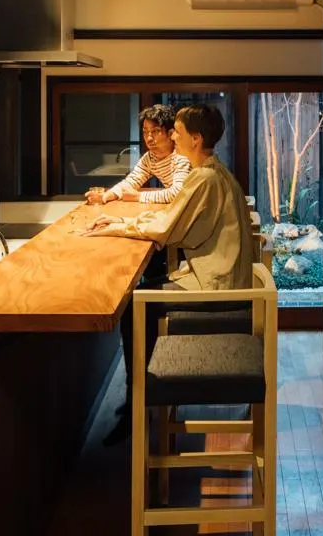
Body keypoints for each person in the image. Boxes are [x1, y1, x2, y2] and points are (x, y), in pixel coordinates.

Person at [83, 103, 255, 445]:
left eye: (175, 131)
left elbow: (167, 226)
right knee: (143, 291)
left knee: (135, 303)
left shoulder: (203, 176)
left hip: (217, 285)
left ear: (196, 137)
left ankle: (142, 400)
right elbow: (174, 222)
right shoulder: (211, 171)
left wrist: (118, 225)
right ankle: (142, 398)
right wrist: (122, 221)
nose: (170, 136)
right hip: (221, 275)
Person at [85, 103, 190, 206]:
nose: (149, 138)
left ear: (170, 133)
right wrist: (105, 196)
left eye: (155, 131)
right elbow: (131, 181)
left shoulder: (182, 155)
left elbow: (178, 193)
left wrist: (138, 196)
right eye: (145, 132)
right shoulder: (150, 158)